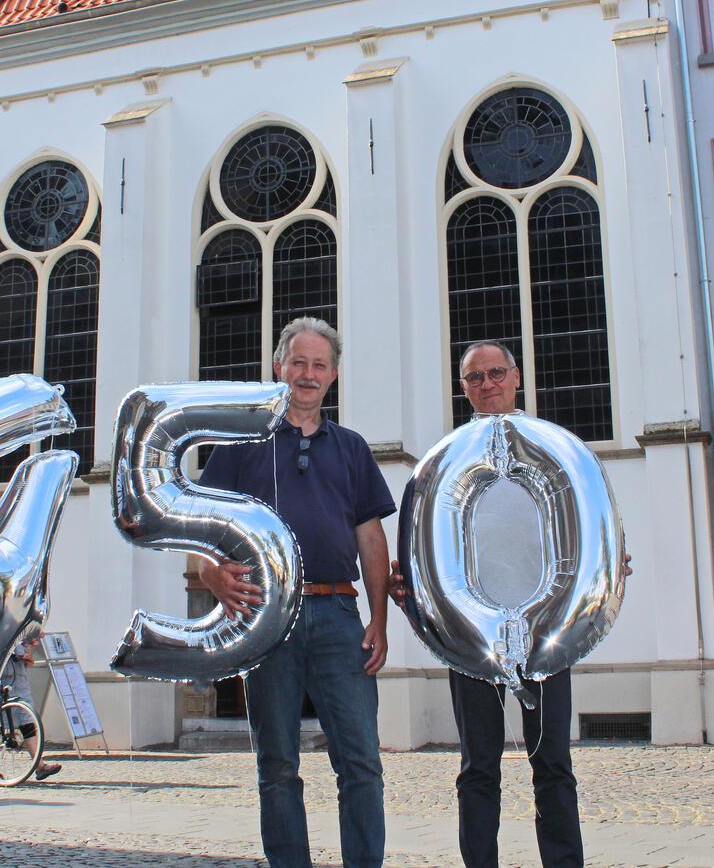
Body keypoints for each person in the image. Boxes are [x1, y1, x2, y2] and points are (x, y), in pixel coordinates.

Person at [389, 339, 631, 868]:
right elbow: (417, 552)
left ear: (516, 377)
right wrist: (413, 599)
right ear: (464, 388)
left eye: (496, 373)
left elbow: (587, 533)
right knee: (478, 767)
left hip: (545, 632)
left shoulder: (554, 450)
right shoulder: (445, 461)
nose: (487, 384)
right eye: (475, 378)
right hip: (471, 637)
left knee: (553, 764)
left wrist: (608, 564)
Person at [198, 317, 395, 868]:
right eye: (298, 363)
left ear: (333, 375)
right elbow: (202, 525)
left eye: (319, 365)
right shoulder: (240, 443)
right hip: (267, 619)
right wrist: (211, 573)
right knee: (277, 765)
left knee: (360, 763)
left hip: (337, 613)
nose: (308, 375)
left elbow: (371, 537)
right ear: (278, 367)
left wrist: (378, 620)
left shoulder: (352, 448)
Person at [0, 631, 61, 781]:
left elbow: (29, 660)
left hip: (20, 683)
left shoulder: (23, 633)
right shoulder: (7, 628)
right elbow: (21, 654)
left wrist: (30, 643)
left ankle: (40, 766)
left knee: (28, 724)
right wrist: (29, 642)